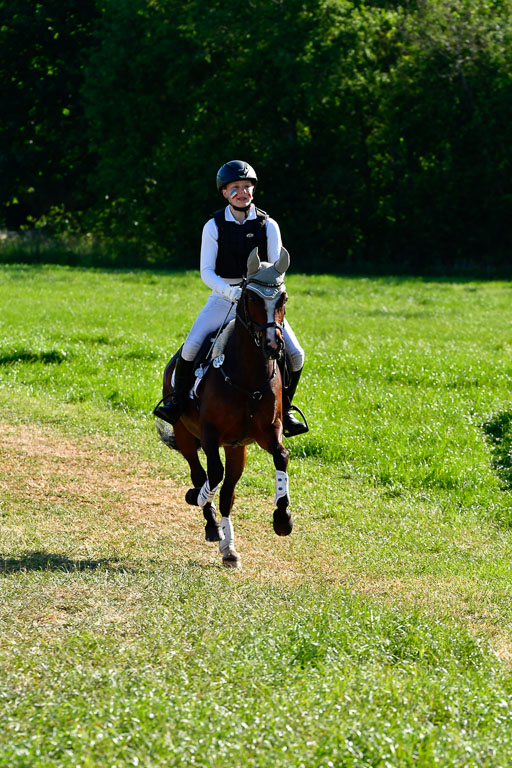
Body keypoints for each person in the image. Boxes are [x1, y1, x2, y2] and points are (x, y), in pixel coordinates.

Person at [154, 160, 308, 437]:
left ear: (253, 191)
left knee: (296, 355)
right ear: (224, 193)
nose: (242, 192)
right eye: (235, 187)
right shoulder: (213, 226)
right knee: (190, 349)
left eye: (246, 187)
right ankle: (177, 404)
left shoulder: (268, 225)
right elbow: (206, 272)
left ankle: (285, 411)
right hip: (223, 297)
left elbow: (277, 268)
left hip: (260, 302)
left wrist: (267, 296)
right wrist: (232, 293)